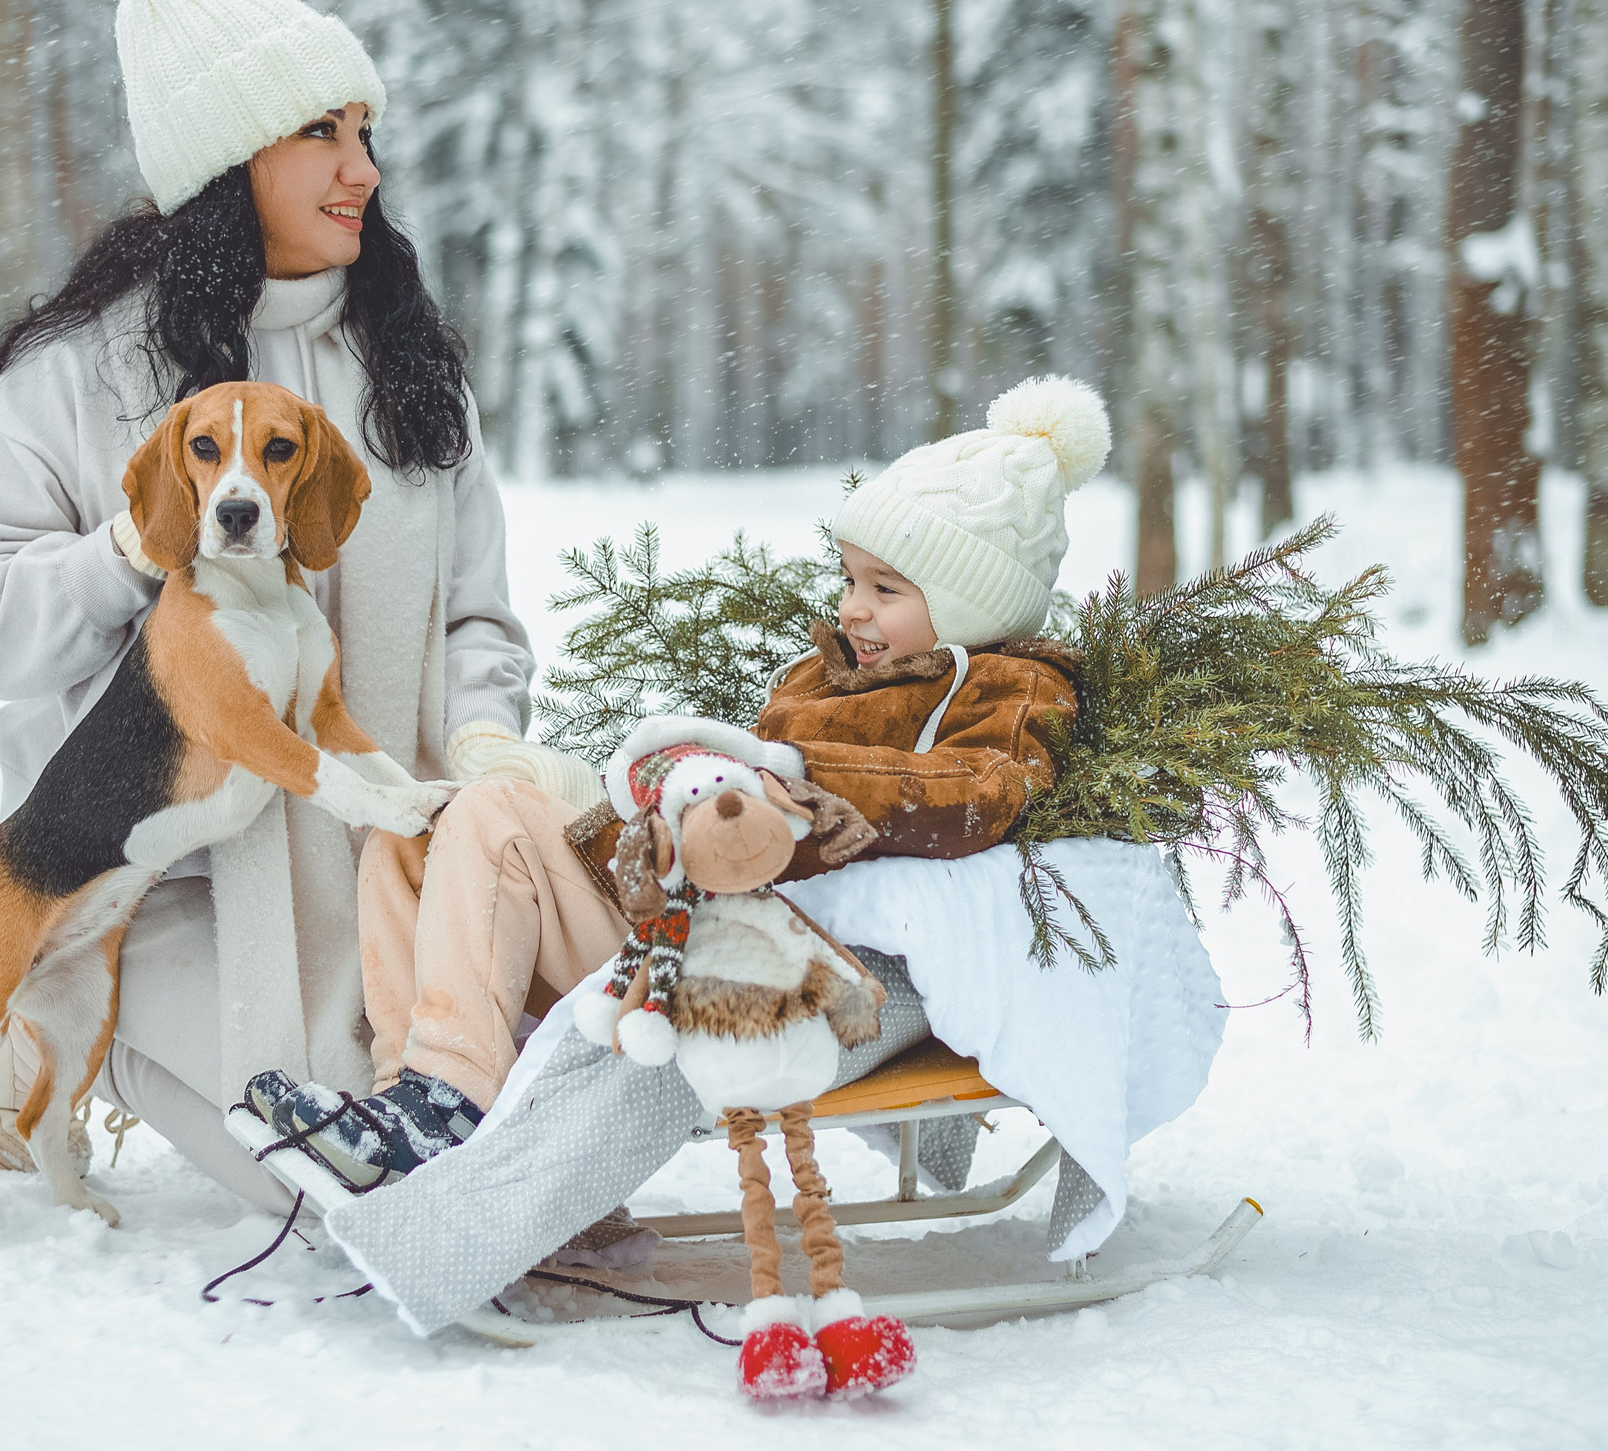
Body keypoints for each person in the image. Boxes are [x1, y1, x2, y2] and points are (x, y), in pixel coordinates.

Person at [0, 0, 598, 1214]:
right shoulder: (78, 376)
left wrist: (483, 744)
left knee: (522, 1169)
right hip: (166, 892)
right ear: (228, 162)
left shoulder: (407, 371)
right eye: (320, 133)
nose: (364, 170)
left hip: (391, 876)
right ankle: (66, 1028)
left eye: (365, 133)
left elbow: (475, 614)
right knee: (339, 1198)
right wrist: (134, 547)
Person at [247, 377, 1109, 1187]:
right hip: (675, 907)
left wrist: (791, 777)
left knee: (493, 814)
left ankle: (447, 1103)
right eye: (850, 579)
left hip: (746, 957)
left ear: (972, 604)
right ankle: (412, 1096)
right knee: (411, 836)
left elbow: (980, 791)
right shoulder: (826, 676)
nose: (853, 606)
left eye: (886, 588)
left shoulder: (1010, 689)